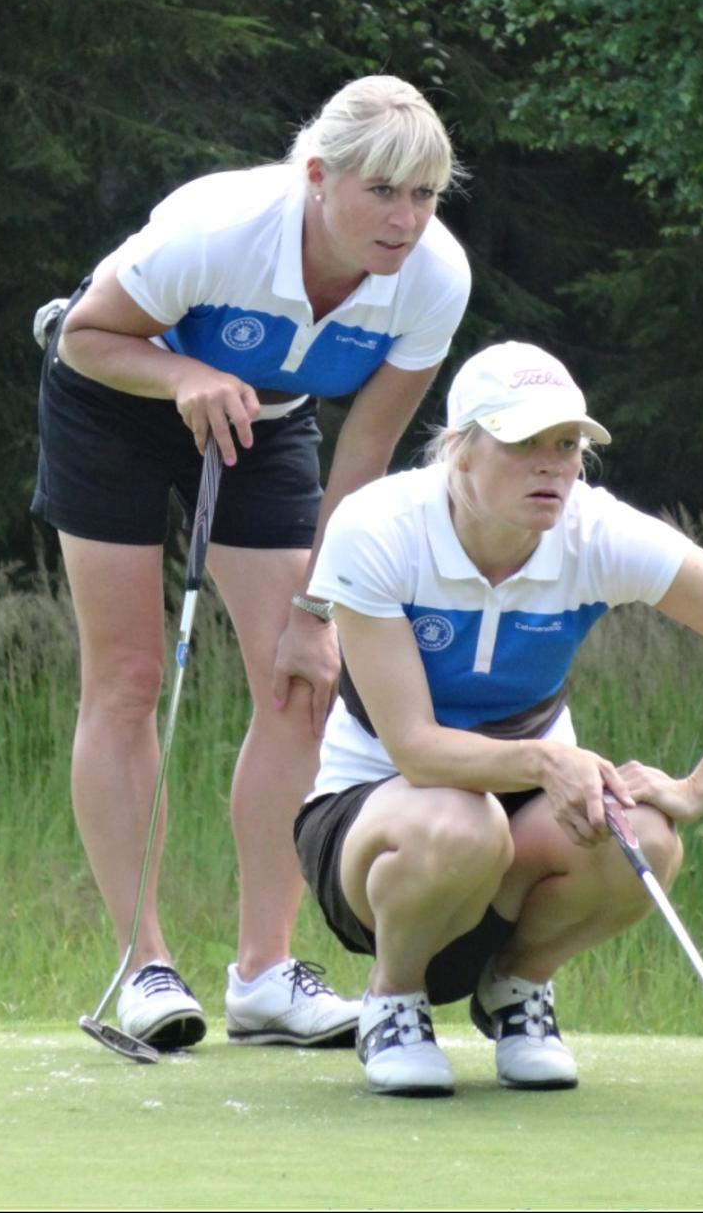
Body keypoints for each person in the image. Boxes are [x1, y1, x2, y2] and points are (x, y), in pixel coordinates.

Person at [31, 75, 470, 1050]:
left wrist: (322, 609)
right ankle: (142, 966)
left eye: (425, 195)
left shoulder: (434, 278)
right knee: (128, 676)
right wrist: (185, 372)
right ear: (317, 177)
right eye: (383, 192)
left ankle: (264, 975)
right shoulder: (219, 228)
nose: (406, 219)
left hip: (265, 426)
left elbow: (363, 451)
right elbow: (83, 335)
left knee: (301, 680)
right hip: (114, 401)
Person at [294, 340, 703, 1095]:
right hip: (377, 825)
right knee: (459, 822)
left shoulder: (594, 532)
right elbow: (416, 751)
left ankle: (517, 989)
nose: (552, 465)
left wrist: (698, 790)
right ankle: (393, 999)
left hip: (521, 823)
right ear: (459, 449)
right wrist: (549, 762)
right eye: (523, 444)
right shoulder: (380, 525)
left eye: (567, 444)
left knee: (645, 838)